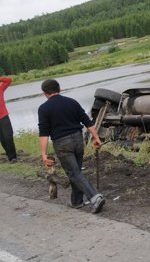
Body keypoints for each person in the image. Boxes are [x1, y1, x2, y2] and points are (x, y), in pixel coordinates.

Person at [38, 79, 106, 213]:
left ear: (44, 93)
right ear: (59, 89)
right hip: (78, 139)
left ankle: (95, 197)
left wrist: (44, 154)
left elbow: (44, 133)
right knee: (76, 171)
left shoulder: (44, 108)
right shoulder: (72, 102)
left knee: (74, 173)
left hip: (62, 143)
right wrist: (96, 138)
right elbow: (88, 122)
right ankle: (77, 202)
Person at [0, 76, 18, 163]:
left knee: (8, 137)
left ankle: (13, 157)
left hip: (4, 116)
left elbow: (9, 80)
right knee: (2, 139)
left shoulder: (0, 89)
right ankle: (9, 155)